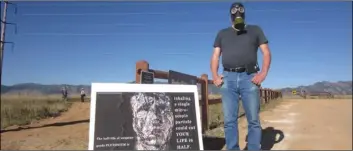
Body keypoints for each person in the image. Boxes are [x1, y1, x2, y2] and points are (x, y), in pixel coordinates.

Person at [210, 2, 272, 150]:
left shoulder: (255, 30)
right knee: (229, 120)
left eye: (240, 12)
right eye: (234, 13)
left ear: (243, 15)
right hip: (228, 78)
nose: (237, 15)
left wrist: (263, 73)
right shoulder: (222, 33)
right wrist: (215, 75)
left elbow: (266, 53)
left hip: (249, 78)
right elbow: (215, 56)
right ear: (231, 16)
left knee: (253, 120)